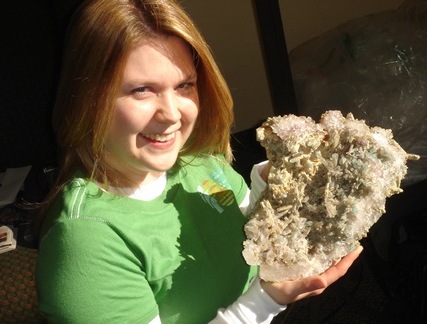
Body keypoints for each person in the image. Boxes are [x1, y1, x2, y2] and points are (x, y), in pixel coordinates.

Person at [35, 0, 363, 323]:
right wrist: (266, 300)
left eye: (184, 85)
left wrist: (277, 181)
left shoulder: (196, 161)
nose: (172, 115)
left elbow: (251, 228)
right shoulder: (83, 241)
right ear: (88, 98)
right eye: (141, 90)